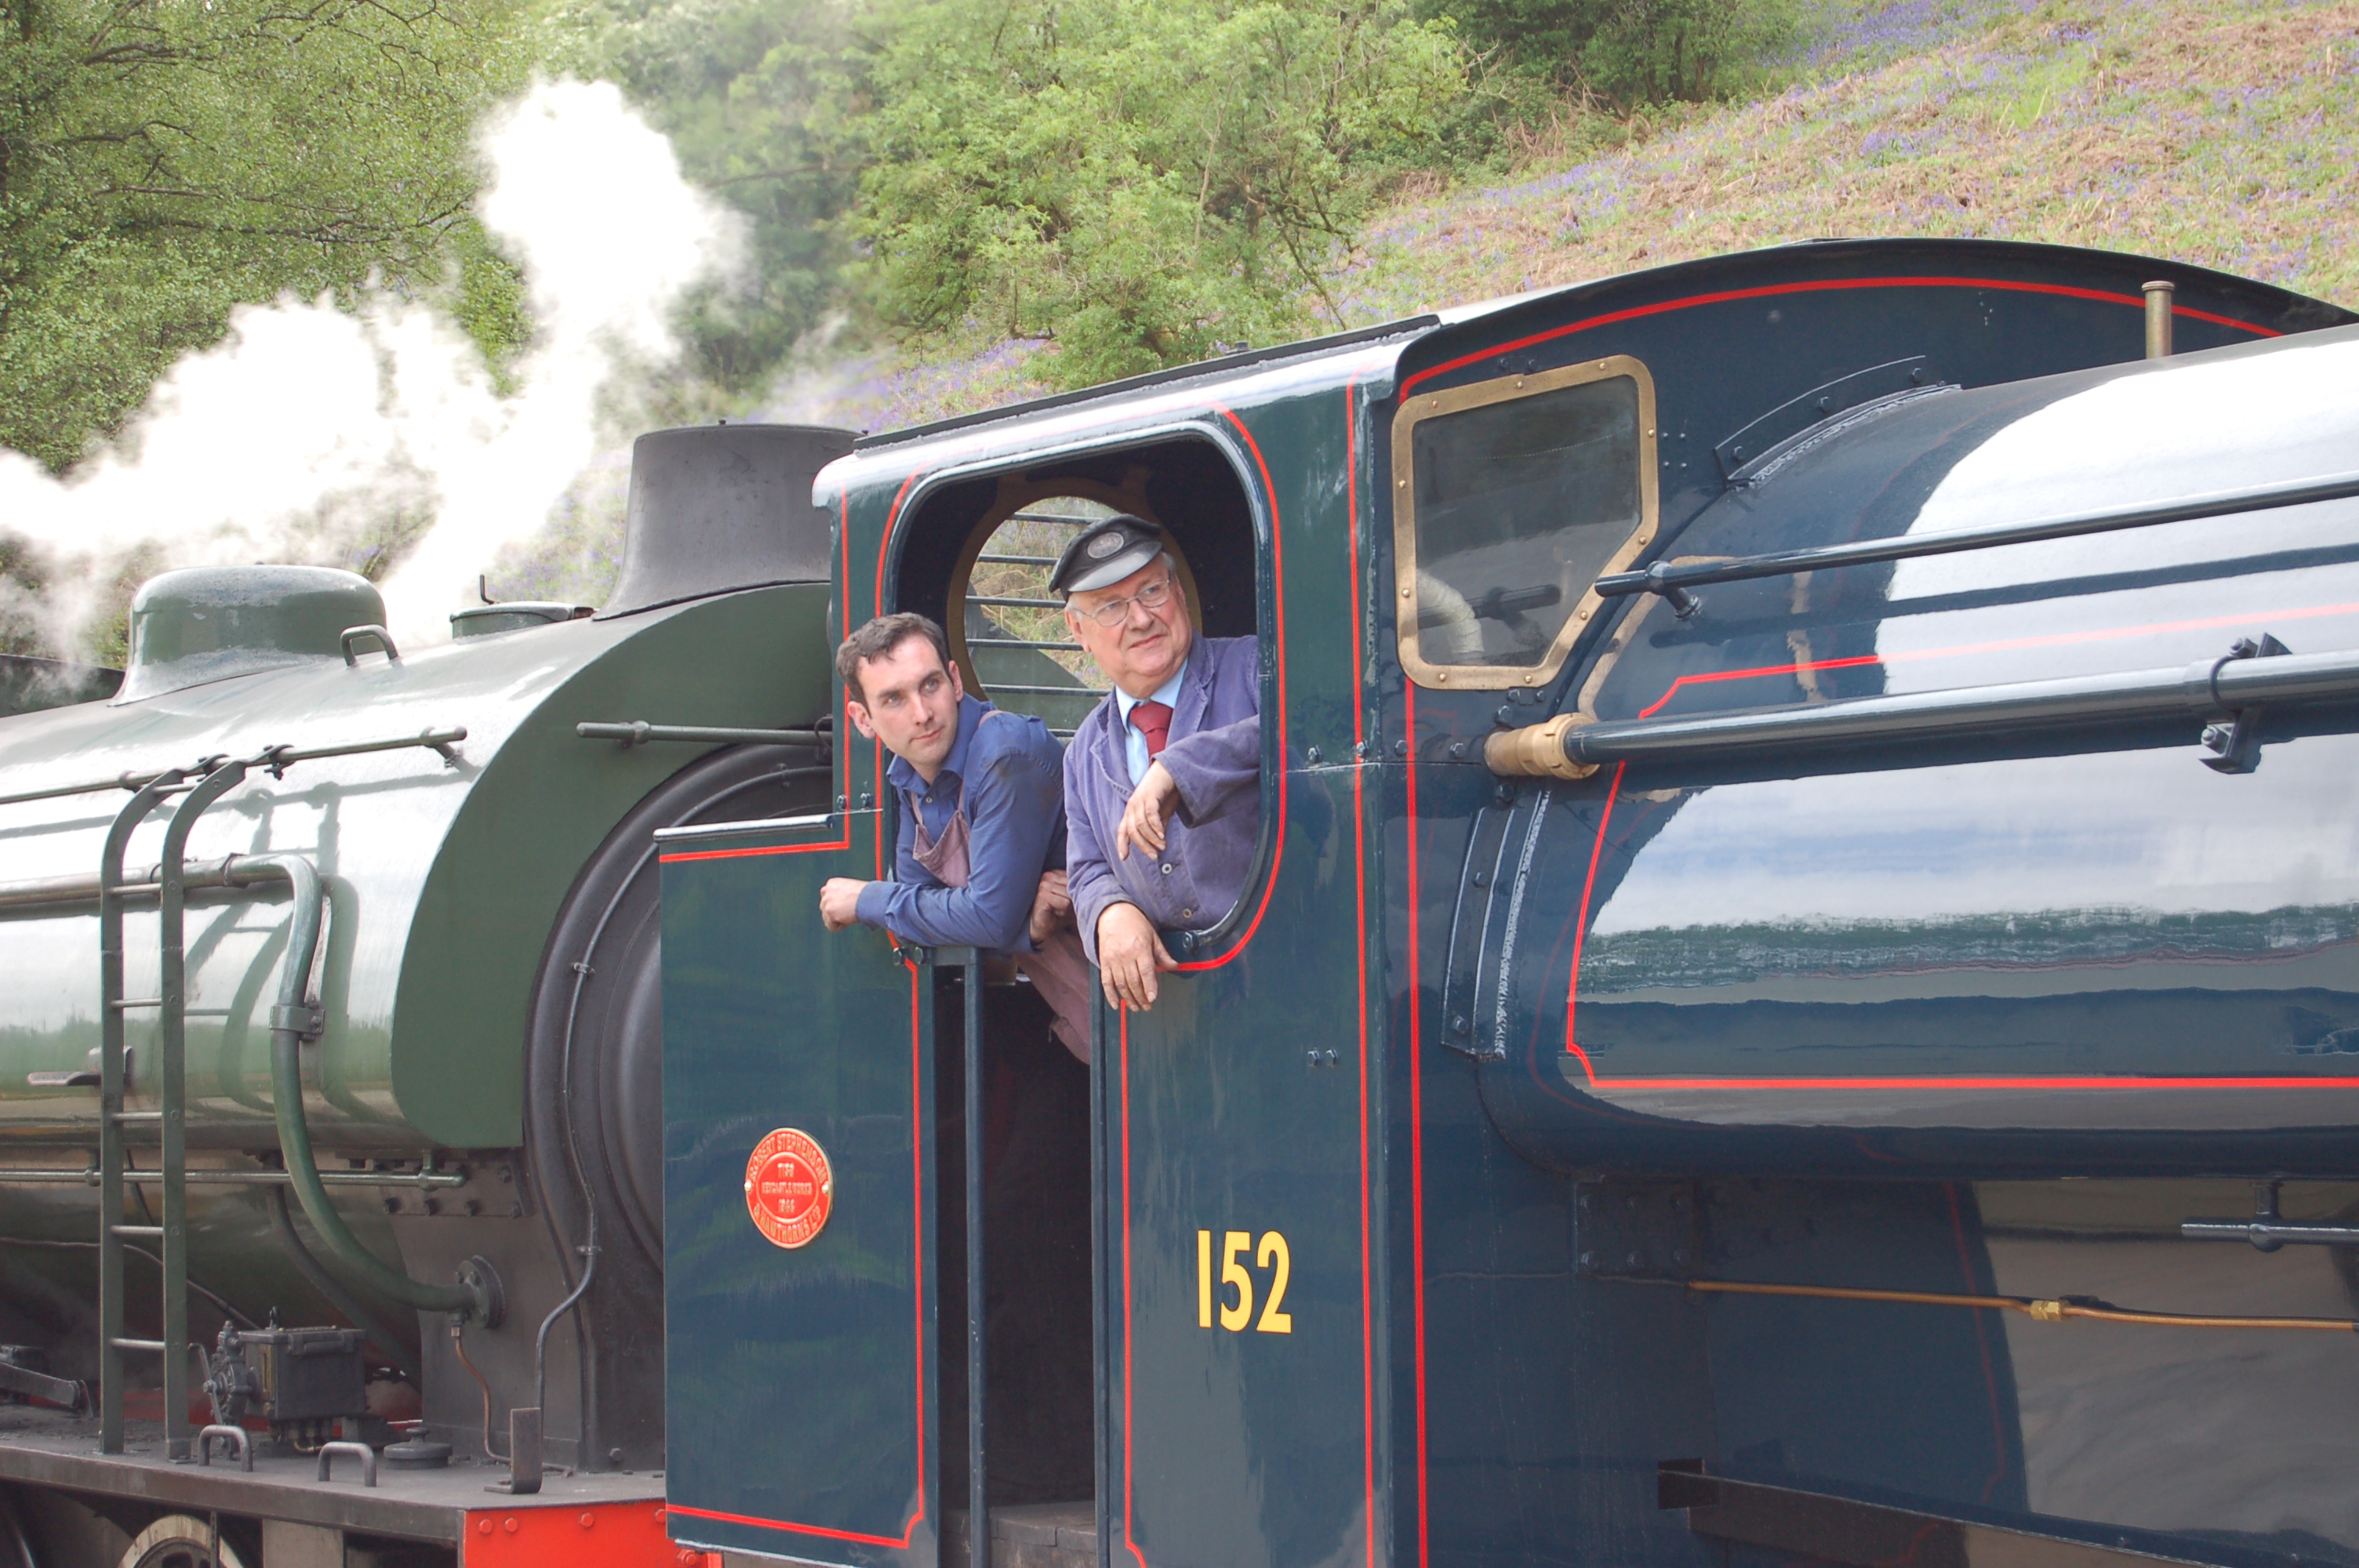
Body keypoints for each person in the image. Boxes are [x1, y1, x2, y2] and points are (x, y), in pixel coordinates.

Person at [818, 613, 1094, 1059]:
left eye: (930, 685)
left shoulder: (1006, 755)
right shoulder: (909, 775)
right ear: (862, 719)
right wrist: (1027, 927)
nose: (922, 714)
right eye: (893, 699)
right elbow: (923, 907)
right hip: (1083, 1008)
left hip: (1146, 997)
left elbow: (987, 918)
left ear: (955, 681)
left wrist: (867, 899)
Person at [1053, 516, 1260, 1013]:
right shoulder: (1082, 753)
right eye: (1112, 608)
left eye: (1151, 591)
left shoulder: (1258, 668)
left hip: (1292, 986)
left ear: (1180, 596)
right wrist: (1110, 911)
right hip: (1175, 1021)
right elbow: (1085, 870)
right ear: (1078, 631)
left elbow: (1306, 728)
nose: (1141, 619)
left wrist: (1178, 769)